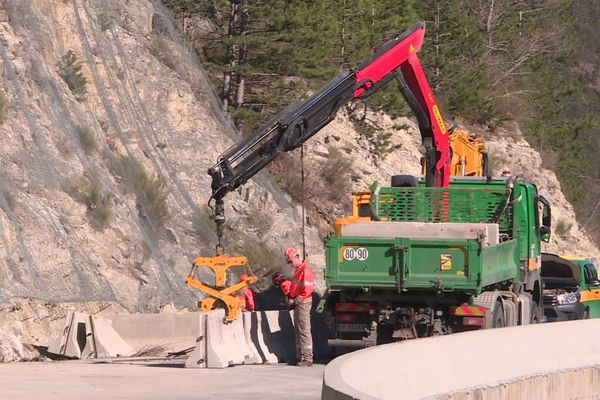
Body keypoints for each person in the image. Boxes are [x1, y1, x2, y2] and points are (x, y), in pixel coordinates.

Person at [272, 247, 314, 367]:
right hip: (299, 303)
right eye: (287, 262)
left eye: (290, 261)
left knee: (304, 330)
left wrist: (296, 300)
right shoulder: (298, 270)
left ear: (297, 257)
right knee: (298, 330)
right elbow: (295, 288)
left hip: (303, 303)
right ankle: (300, 357)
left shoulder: (305, 271)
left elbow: (308, 290)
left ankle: (307, 358)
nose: (289, 264)